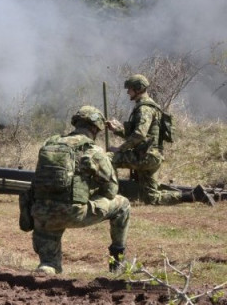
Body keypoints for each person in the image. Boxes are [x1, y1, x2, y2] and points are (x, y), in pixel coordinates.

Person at [29, 105, 130, 275]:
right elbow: (111, 191)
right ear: (95, 128)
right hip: (73, 212)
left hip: (42, 215)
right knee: (123, 205)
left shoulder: (49, 143)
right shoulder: (93, 150)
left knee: (48, 266)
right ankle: (117, 261)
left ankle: (47, 266)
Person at [106, 74, 214, 206]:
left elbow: (139, 135)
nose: (128, 92)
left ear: (138, 89)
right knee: (151, 198)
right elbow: (143, 135)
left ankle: (110, 196)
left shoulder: (144, 108)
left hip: (146, 156)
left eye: (130, 89)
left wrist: (119, 149)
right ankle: (194, 195)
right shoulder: (151, 106)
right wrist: (117, 129)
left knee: (109, 158)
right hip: (153, 156)